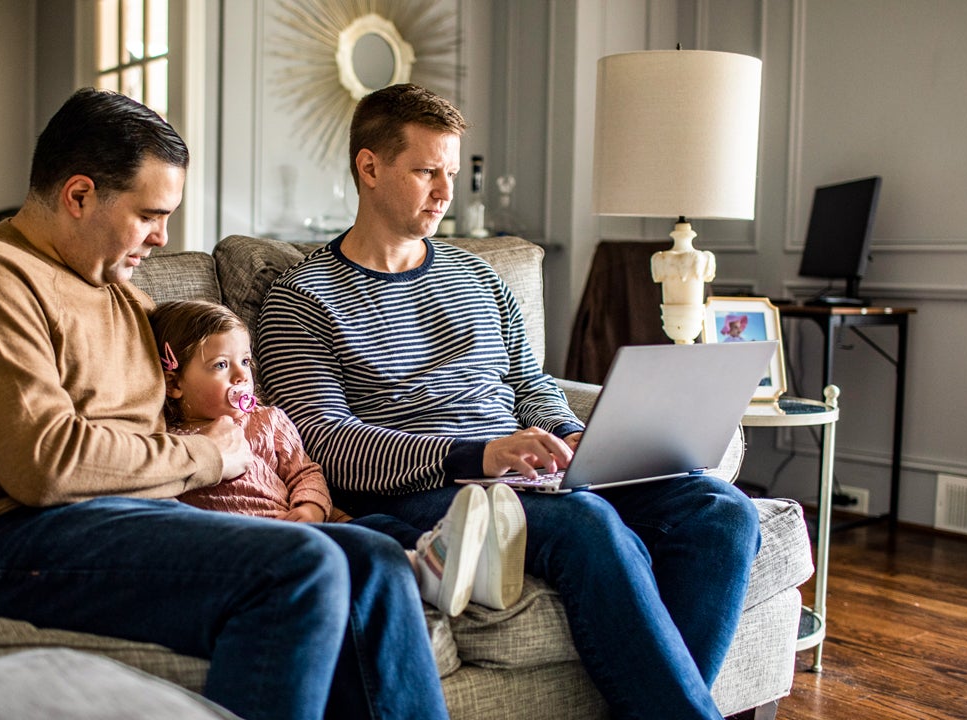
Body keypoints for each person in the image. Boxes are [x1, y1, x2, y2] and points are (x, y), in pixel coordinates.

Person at [0, 88, 451, 720]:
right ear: (79, 196)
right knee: (300, 567)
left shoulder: (123, 296)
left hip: (125, 521)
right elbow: (45, 464)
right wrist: (205, 454)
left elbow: (213, 402)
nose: (162, 238)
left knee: (372, 558)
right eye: (151, 214)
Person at [255, 83, 762, 720]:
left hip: (528, 473)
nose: (445, 191)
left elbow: (530, 386)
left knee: (720, 509)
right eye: (425, 172)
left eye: (449, 171)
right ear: (369, 167)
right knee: (587, 525)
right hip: (425, 488)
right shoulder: (302, 300)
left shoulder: (478, 275)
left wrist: (571, 435)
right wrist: (483, 455)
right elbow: (329, 445)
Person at [148, 298, 527, 617]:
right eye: (220, 366)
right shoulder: (171, 442)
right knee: (355, 550)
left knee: (375, 524)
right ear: (175, 383)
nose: (240, 377)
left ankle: (463, 565)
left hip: (306, 521)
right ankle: (429, 569)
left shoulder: (267, 420)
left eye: (245, 362)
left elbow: (304, 473)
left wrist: (311, 506)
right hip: (256, 543)